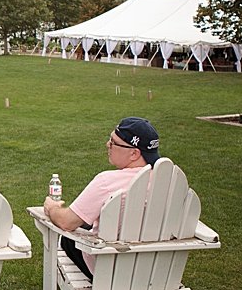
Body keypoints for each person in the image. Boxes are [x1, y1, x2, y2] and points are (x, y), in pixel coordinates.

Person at [41, 116, 161, 280]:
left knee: (67, 239)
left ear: (134, 153)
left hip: (108, 272)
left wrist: (52, 208)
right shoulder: (168, 181)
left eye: (113, 142)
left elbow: (66, 222)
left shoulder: (107, 182)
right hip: (156, 271)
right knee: (86, 222)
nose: (107, 145)